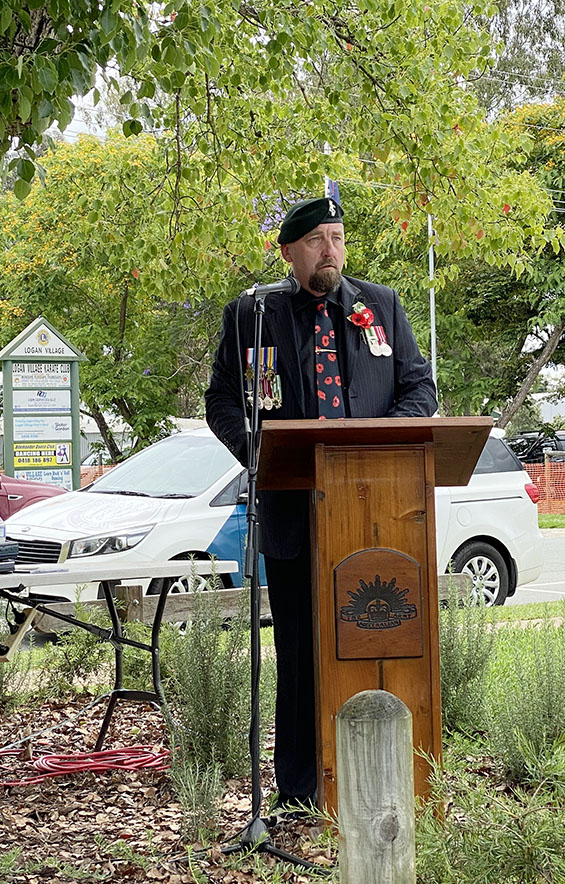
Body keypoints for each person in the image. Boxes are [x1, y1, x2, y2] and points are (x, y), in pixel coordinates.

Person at [205, 196, 437, 808]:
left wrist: (383, 446)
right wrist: (257, 452)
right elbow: (223, 399)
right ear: (289, 252)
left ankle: (385, 776)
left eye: (336, 237)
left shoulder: (379, 307)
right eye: (316, 241)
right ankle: (302, 787)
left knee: (377, 639)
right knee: (301, 654)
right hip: (292, 512)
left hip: (377, 514)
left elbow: (419, 388)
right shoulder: (255, 314)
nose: (330, 250)